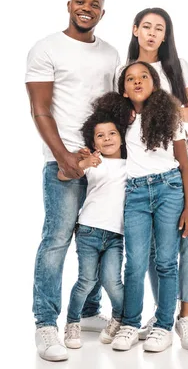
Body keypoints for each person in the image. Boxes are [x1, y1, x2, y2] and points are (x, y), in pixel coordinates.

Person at [24, 0, 120, 362]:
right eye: (80, 2)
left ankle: (89, 312)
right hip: (63, 160)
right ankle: (46, 324)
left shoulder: (110, 53)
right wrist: (64, 157)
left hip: (103, 163)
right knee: (57, 239)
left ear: (101, 12)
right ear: (69, 6)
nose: (86, 8)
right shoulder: (46, 47)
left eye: (94, 5)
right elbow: (40, 109)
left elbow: (115, 109)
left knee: (97, 236)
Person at [120, 7, 188, 351]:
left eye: (160, 28)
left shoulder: (176, 66)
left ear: (165, 35)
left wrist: (161, 105)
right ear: (136, 30)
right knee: (149, 250)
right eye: (147, 27)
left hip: (175, 162)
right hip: (139, 170)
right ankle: (160, 315)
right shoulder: (123, 71)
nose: (153, 33)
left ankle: (184, 318)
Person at [106, 62, 188, 353]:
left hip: (169, 189)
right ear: (123, 89)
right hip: (135, 193)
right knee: (134, 262)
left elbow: (184, 165)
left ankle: (163, 327)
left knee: (167, 261)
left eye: (143, 76)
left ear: (154, 84)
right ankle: (130, 324)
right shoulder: (121, 120)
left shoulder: (170, 117)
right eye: (130, 78)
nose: (136, 81)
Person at [58, 107, 127, 349]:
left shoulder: (130, 165)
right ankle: (72, 322)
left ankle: (120, 318)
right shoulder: (93, 162)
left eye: (112, 133)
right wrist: (84, 161)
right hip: (88, 231)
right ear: (93, 140)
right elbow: (63, 175)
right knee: (86, 280)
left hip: (116, 234)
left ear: (121, 136)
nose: (107, 138)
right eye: (100, 135)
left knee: (112, 281)